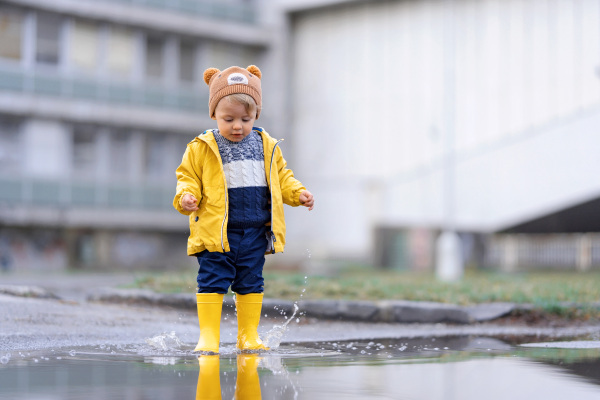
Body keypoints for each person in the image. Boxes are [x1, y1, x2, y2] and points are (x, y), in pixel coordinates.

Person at [173, 65, 314, 354]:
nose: (237, 125)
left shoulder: (267, 145)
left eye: (245, 119)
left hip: (254, 231)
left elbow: (282, 177)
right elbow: (187, 177)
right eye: (229, 119)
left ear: (256, 116)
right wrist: (186, 197)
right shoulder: (201, 147)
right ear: (213, 114)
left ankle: (248, 336)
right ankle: (209, 337)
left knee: (251, 281)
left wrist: (297, 192)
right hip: (216, 232)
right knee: (212, 280)